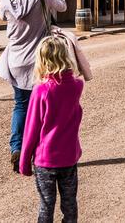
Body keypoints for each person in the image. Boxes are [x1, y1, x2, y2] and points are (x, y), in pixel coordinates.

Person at [0, 0, 67, 173]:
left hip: (16, 61)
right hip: (40, 62)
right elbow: (62, 6)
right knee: (43, 108)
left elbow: (1, 16)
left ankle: (16, 149)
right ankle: (39, 152)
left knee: (20, 105)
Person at [19, 36, 84, 223]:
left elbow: (31, 129)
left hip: (45, 160)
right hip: (69, 157)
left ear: (42, 60)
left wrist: (24, 161)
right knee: (70, 204)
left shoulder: (41, 91)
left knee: (46, 206)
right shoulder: (76, 86)